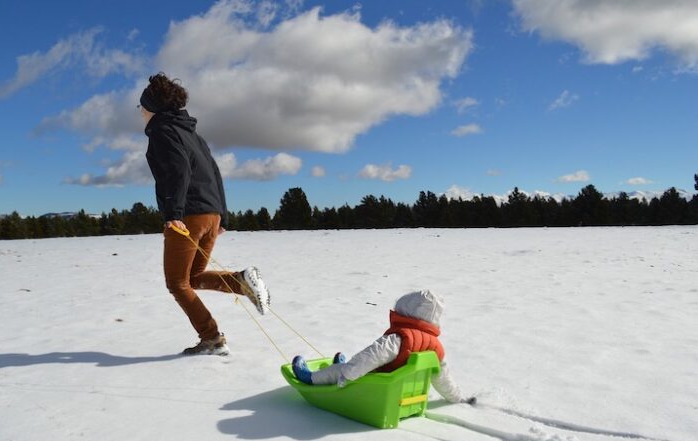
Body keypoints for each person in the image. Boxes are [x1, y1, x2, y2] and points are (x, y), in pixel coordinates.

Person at [140, 72, 270, 356]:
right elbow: (214, 172)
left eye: (142, 107)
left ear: (151, 108)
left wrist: (173, 212)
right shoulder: (192, 135)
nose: (140, 113)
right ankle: (240, 281)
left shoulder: (163, 131)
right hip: (211, 215)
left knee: (177, 283)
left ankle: (211, 337)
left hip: (187, 216)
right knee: (195, 277)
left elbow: (178, 171)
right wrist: (222, 215)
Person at [292, 290, 475, 404]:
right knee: (355, 366)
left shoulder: (401, 338)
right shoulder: (436, 348)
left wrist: (347, 374)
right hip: (405, 396)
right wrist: (457, 398)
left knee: (340, 370)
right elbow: (443, 378)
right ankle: (346, 366)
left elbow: (371, 356)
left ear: (407, 313)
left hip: (381, 387)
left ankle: (311, 378)